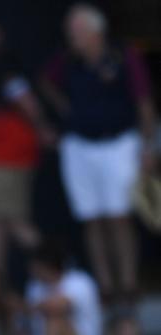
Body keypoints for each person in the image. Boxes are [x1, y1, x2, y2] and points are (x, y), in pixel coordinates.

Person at [40, 3, 158, 304]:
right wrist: (67, 110)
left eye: (78, 31)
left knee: (119, 215)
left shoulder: (123, 55)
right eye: (70, 32)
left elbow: (144, 101)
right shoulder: (67, 60)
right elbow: (45, 83)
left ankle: (127, 283)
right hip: (80, 145)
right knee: (92, 217)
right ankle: (106, 285)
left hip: (119, 143)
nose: (73, 37)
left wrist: (148, 146)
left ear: (96, 31)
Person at [0, 5, 54, 279]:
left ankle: (58, 269)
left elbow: (25, 100)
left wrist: (43, 129)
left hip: (8, 152)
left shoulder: (3, 62)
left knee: (10, 221)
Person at [25, 243, 102, 335]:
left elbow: (58, 306)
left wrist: (26, 307)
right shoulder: (35, 287)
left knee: (55, 317)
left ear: (47, 266)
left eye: (35, 265)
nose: (31, 269)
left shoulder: (79, 281)